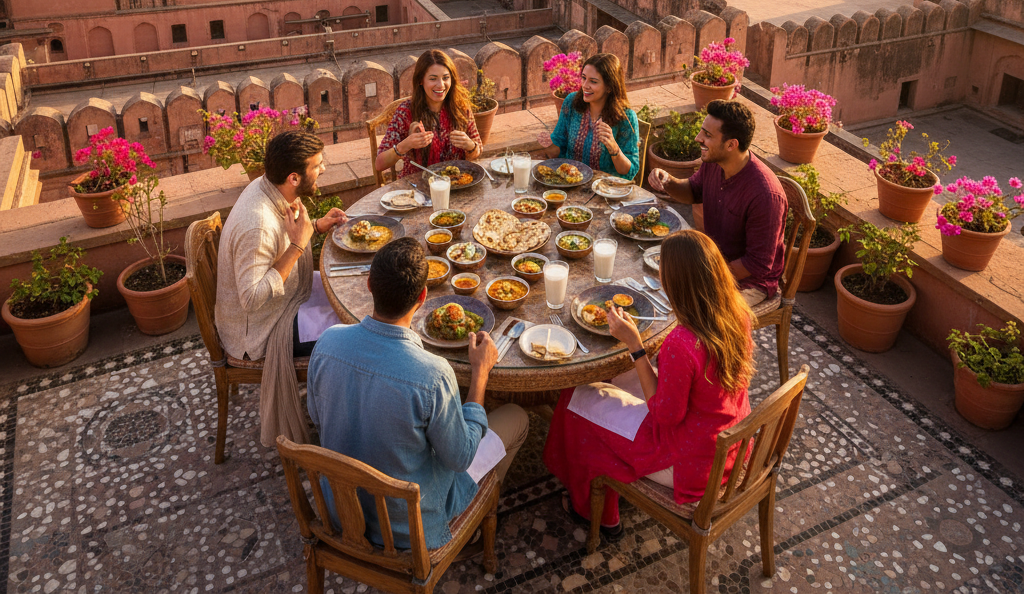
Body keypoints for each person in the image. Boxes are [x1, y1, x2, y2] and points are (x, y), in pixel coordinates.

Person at [307, 237, 530, 550]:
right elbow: (460, 457)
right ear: (423, 297)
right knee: (518, 418)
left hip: (341, 513)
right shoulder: (433, 374)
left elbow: (317, 417)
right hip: (409, 529)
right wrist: (480, 374)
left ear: (369, 284)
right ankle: (474, 522)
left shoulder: (327, 343)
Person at [543, 231, 754, 534]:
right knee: (612, 379)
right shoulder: (737, 313)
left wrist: (636, 347)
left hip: (690, 464)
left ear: (676, 284)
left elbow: (665, 416)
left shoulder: (682, 344)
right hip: (728, 442)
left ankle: (597, 515)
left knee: (575, 400)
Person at [215, 129, 347, 447]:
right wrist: (299, 247)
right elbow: (251, 298)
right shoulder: (257, 224)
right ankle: (342, 427)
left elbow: (282, 238)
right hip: (262, 330)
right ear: (293, 178)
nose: (323, 169)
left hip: (288, 296)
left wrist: (314, 226)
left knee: (345, 283)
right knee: (354, 333)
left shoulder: (267, 188)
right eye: (317, 165)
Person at [647, 99, 786, 306]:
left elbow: (757, 264)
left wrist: (703, 276)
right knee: (656, 283)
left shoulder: (765, 195)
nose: (698, 138)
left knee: (689, 309)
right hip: (712, 263)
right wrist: (668, 181)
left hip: (748, 283)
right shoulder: (715, 163)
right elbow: (694, 191)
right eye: (702, 131)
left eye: (707, 135)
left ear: (731, 144)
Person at [376, 49, 483, 179]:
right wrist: (405, 145)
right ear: (421, 80)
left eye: (445, 78)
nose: (440, 85)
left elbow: (477, 151)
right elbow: (379, 164)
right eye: (433, 79)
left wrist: (470, 146)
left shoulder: (460, 107)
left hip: (457, 184)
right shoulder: (406, 112)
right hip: (418, 188)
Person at [536, 52, 640, 179]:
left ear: (609, 87)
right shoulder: (571, 103)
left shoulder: (625, 117)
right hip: (570, 183)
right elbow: (558, 151)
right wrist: (548, 144)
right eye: (584, 78)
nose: (585, 85)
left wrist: (613, 147)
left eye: (593, 81)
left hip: (605, 190)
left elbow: (629, 171)